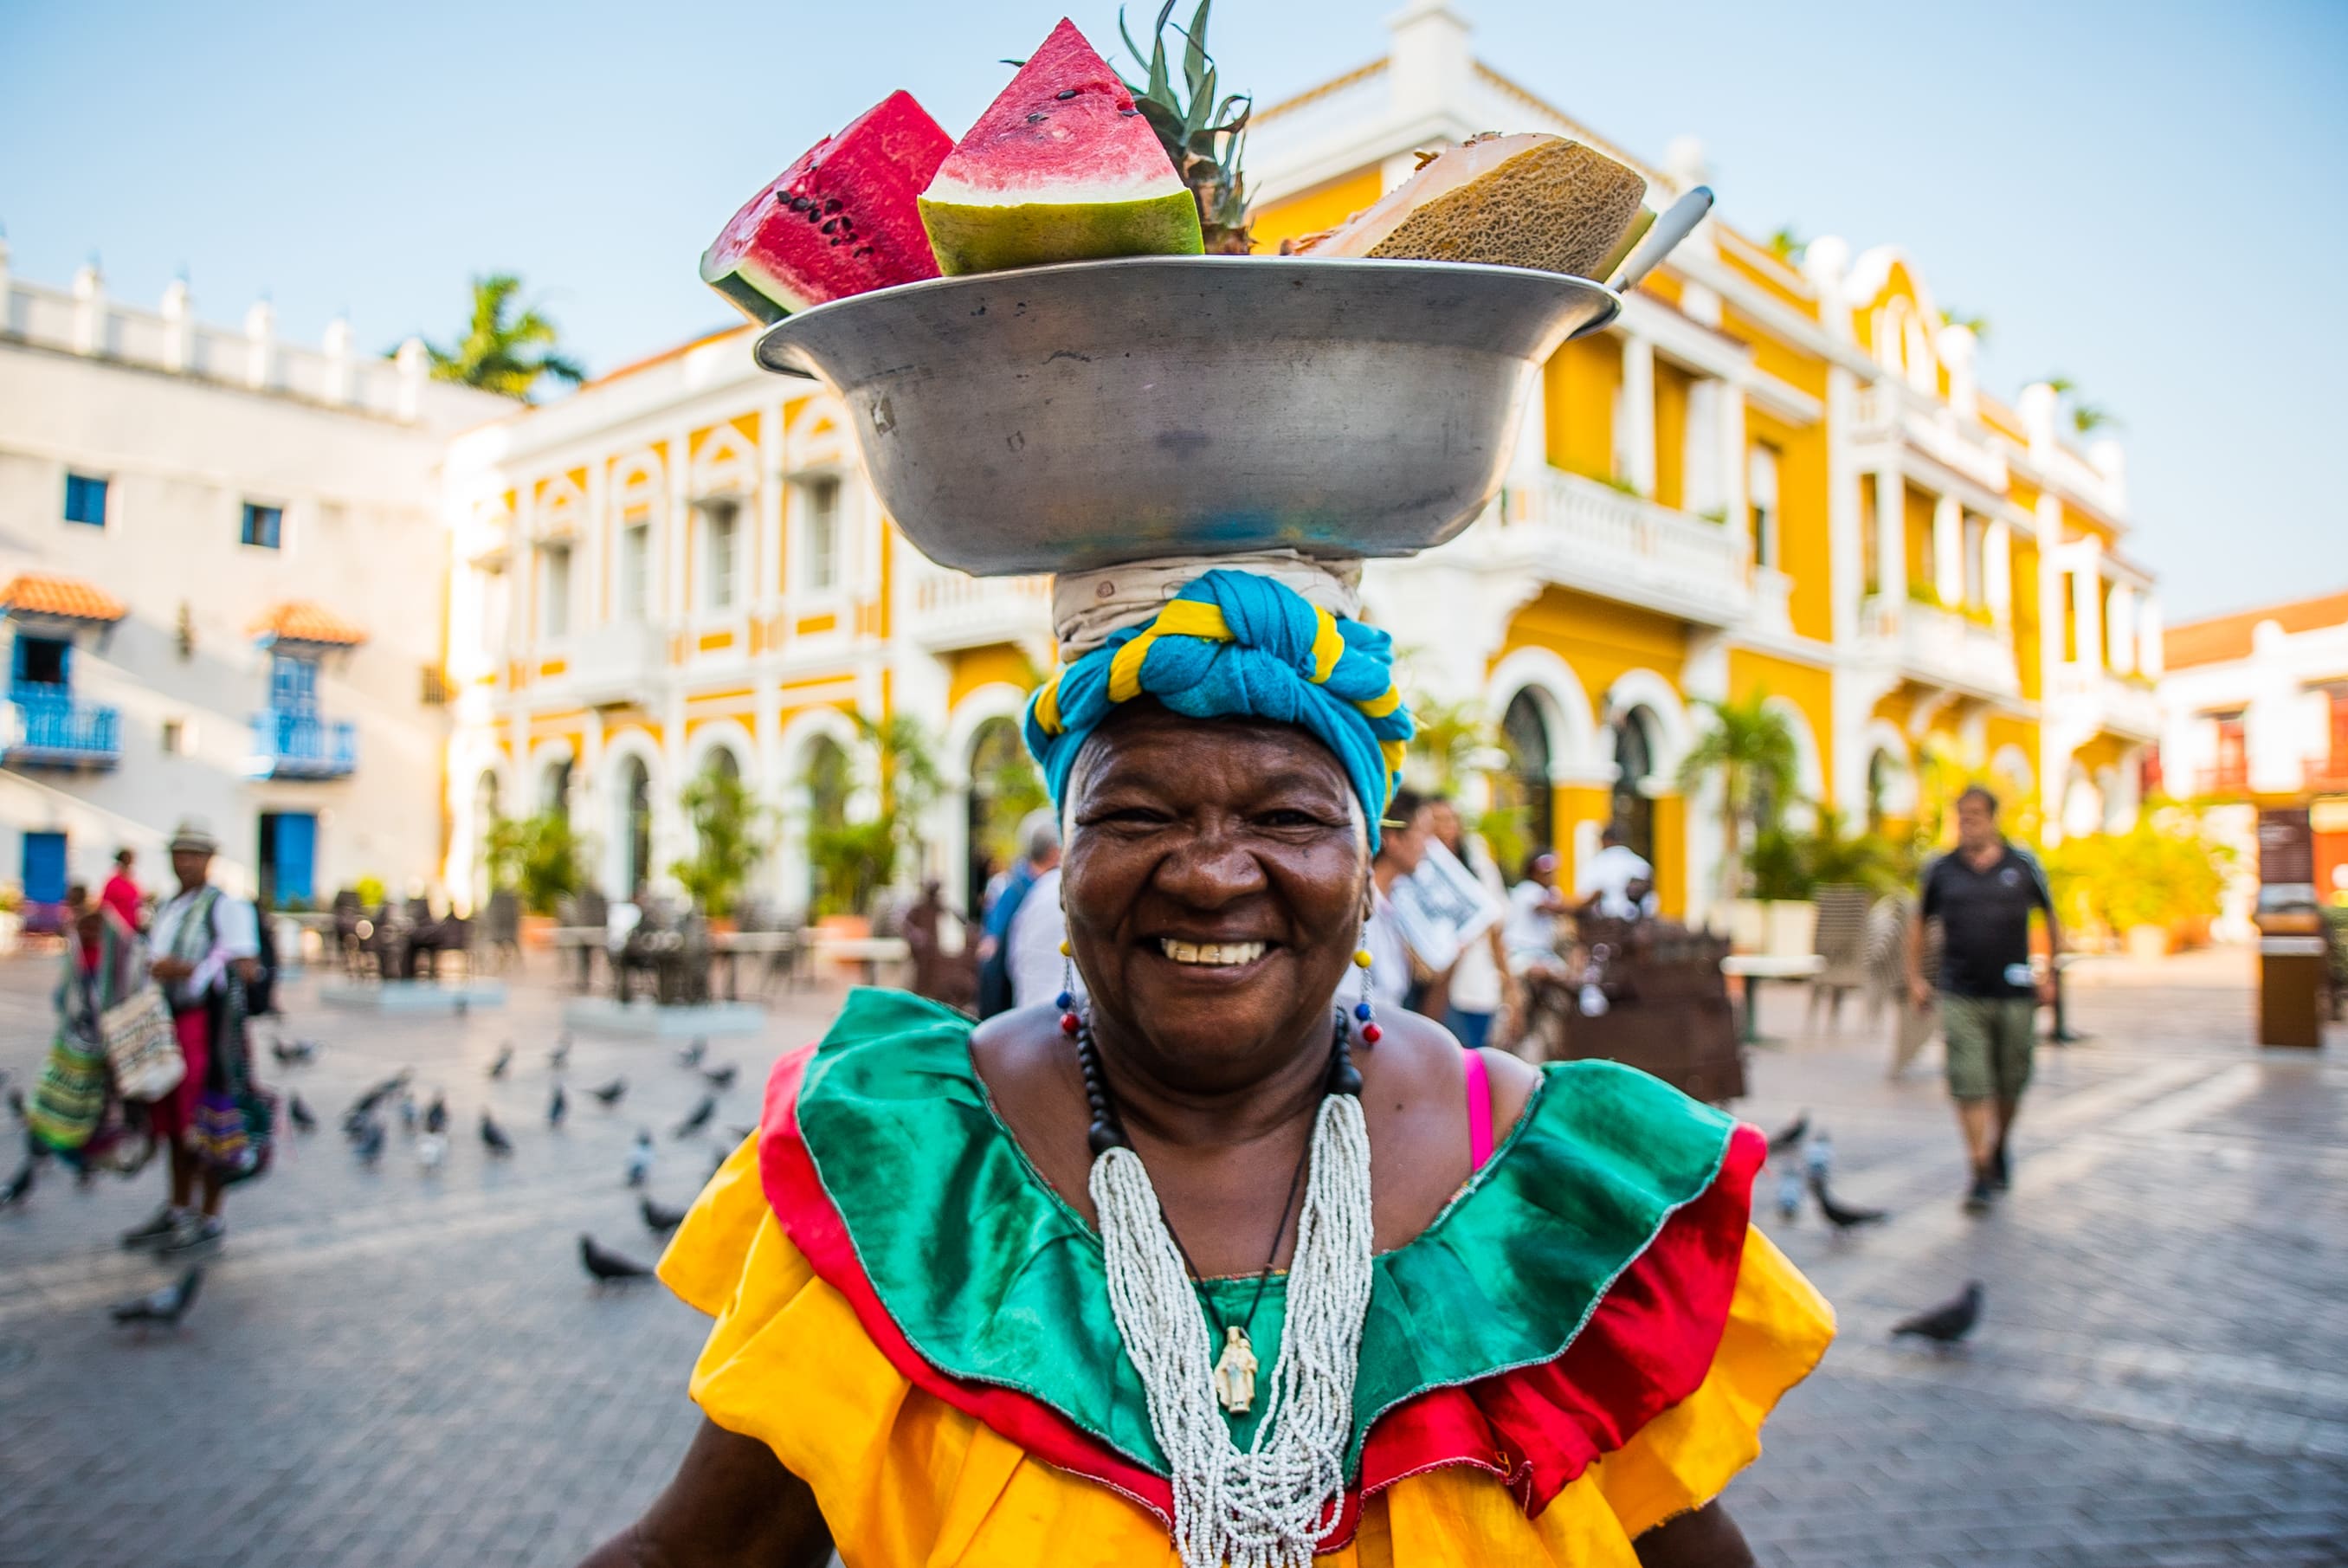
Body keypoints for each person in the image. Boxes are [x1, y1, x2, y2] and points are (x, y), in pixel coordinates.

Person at [584, 568, 1830, 1568]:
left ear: (1369, 867)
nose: (1213, 869)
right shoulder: (910, 1169)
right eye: (1136, 815)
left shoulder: (1546, 1185)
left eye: (1288, 816)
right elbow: (694, 1547)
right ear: (1060, 863)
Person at [1908, 784, 2059, 1215]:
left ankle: (2000, 1145)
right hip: (1961, 991)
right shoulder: (1941, 870)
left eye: (1976, 814)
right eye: (1962, 815)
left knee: (2011, 1080)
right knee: (1969, 1080)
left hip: (2014, 992)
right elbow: (1919, 924)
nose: (1968, 822)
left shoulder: (2022, 863)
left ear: (1994, 818)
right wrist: (1916, 978)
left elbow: (2048, 916)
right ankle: (1978, 1168)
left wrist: (2051, 972)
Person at [120, 819, 261, 1254]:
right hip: (168, 1023)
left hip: (205, 1027)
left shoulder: (225, 907)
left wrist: (187, 970)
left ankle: (209, 1217)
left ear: (208, 860)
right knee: (171, 1125)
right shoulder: (171, 906)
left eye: (194, 855)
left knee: (203, 1123)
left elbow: (247, 968)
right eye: (180, 854)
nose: (185, 862)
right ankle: (179, 1208)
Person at [25, 884, 148, 1173]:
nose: (90, 933)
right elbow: (64, 997)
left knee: (96, 1101)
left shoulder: (117, 947)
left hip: (100, 1039)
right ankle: (61, 1142)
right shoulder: (78, 949)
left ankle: (82, 1145)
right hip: (76, 1041)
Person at [1422, 794, 1512, 1048]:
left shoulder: (1479, 866)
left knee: (1471, 1059)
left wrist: (1510, 986)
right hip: (1428, 986)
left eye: (1451, 819)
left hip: (1475, 985)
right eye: (1437, 820)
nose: (1446, 827)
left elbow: (1496, 928)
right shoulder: (1416, 872)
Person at [977, 812, 1059, 1017]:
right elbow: (991, 949)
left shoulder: (1011, 885)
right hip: (1016, 1008)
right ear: (1053, 852)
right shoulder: (1025, 891)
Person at [1362, 786, 1427, 1014]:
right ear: (1393, 839)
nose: (1427, 846)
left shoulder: (1396, 904)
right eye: (1422, 833)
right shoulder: (1360, 909)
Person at [1576, 823, 1659, 920]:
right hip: (1642, 926)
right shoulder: (1641, 864)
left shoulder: (1598, 864)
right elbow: (1653, 901)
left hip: (1605, 929)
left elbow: (1586, 899)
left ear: (1605, 840)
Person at [101, 847, 144, 932]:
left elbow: (138, 902)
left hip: (132, 929)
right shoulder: (113, 882)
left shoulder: (133, 882)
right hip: (117, 931)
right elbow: (105, 907)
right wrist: (119, 926)